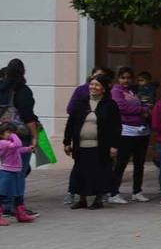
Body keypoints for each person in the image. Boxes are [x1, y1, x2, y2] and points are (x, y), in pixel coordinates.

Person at [62, 72, 121, 211]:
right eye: (92, 84)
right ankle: (82, 199)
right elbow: (70, 123)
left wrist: (114, 146)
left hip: (100, 146)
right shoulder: (80, 103)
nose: (93, 87)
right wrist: (67, 142)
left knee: (98, 172)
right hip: (81, 145)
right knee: (80, 172)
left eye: (97, 85)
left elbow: (116, 127)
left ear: (104, 88)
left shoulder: (110, 105)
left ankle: (98, 199)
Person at [0, 58, 40, 218]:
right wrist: (34, 137)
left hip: (2, 134)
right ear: (23, 72)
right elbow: (28, 116)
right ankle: (16, 206)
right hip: (19, 135)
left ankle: (6, 204)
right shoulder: (22, 90)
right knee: (19, 170)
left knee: (7, 169)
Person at [110, 66, 151, 204]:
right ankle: (114, 192)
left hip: (141, 131)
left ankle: (137, 191)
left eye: (128, 78)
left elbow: (146, 103)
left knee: (139, 163)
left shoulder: (134, 91)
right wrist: (141, 110)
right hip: (126, 131)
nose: (126, 80)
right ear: (118, 78)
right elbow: (121, 108)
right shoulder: (116, 91)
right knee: (121, 163)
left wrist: (145, 108)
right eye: (123, 78)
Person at [0, 123, 35, 226]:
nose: (11, 135)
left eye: (13, 133)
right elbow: (18, 145)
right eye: (9, 132)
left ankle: (21, 214)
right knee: (2, 195)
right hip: (7, 173)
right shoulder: (2, 143)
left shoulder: (10, 143)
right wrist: (14, 135)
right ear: (1, 134)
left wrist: (28, 149)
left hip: (15, 172)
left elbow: (18, 149)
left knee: (18, 193)